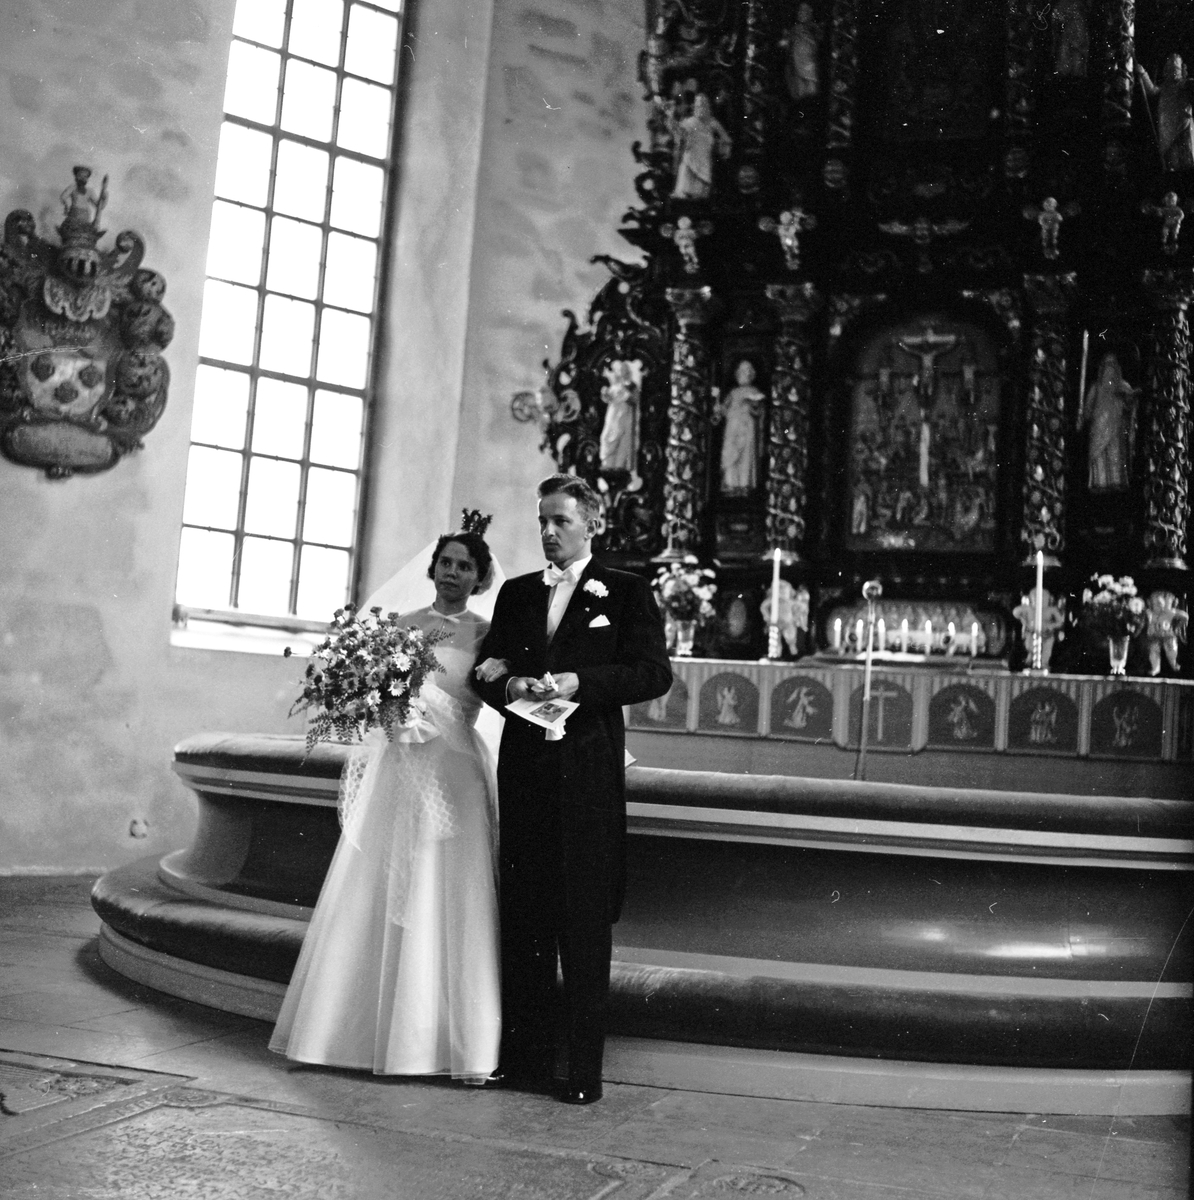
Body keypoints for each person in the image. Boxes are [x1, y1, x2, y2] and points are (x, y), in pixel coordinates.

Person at [270, 517, 507, 1082]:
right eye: (446, 562)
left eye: (465, 566)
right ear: (432, 568)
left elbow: (493, 693)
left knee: (449, 886)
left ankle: (441, 1042)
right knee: (381, 880)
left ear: (479, 578)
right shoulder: (399, 626)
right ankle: (351, 1033)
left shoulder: (487, 634)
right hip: (399, 767)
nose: (452, 572)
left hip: (454, 768)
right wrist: (387, 713)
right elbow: (368, 693)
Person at [472, 475, 671, 1104]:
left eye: (560, 520)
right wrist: (510, 687)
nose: (548, 531)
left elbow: (653, 673)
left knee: (583, 926)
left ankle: (583, 1073)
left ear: (592, 524)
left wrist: (580, 682)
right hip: (525, 773)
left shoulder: (627, 591)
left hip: (586, 778)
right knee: (524, 919)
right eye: (542, 520)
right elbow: (486, 670)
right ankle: (523, 1061)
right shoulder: (517, 592)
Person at [1083, 352, 1138, 491]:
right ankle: (1099, 483)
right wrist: (1085, 415)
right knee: (1100, 457)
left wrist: (1129, 399)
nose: (1110, 369)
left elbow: (1129, 407)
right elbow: (1088, 408)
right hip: (1099, 428)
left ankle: (1116, 482)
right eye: (1107, 365)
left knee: (1115, 455)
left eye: (1112, 365)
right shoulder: (1096, 387)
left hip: (1116, 430)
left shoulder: (1123, 386)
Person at [718, 359, 764, 494]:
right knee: (731, 457)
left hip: (747, 427)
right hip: (732, 428)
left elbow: (759, 411)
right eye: (743, 371)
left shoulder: (755, 391)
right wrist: (718, 407)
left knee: (746, 457)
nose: (746, 374)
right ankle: (731, 484)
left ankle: (745, 484)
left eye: (748, 371)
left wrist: (753, 405)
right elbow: (724, 410)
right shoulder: (733, 393)